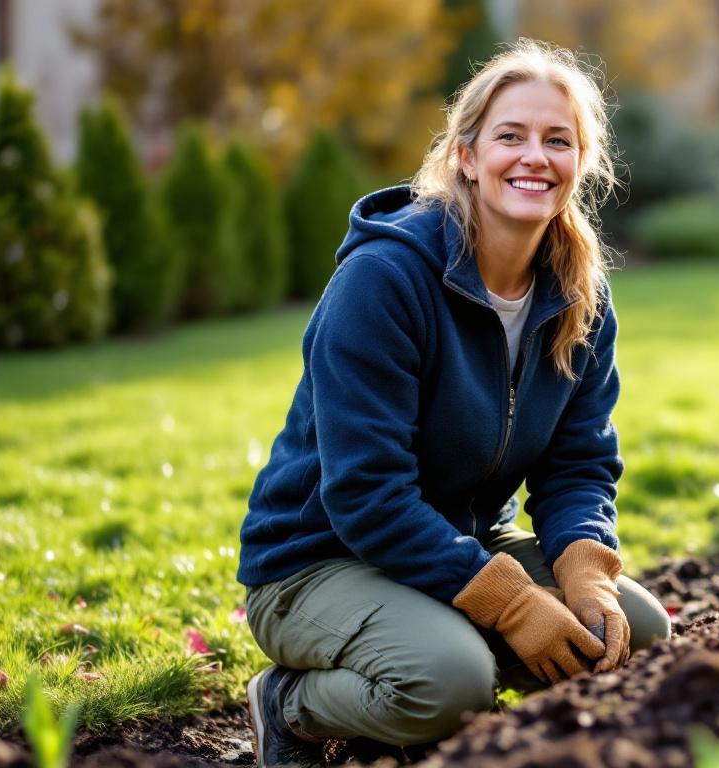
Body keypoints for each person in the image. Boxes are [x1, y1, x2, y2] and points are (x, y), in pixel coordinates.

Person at [236, 39, 672, 766]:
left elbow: (579, 463)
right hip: (318, 561)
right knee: (450, 684)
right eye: (511, 136)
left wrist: (583, 569)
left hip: (460, 542)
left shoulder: (579, 295)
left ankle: (431, 653)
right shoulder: (384, 281)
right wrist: (508, 602)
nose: (534, 156)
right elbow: (366, 494)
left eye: (557, 141)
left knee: (637, 634)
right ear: (466, 156)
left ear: (581, 164)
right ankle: (288, 703)